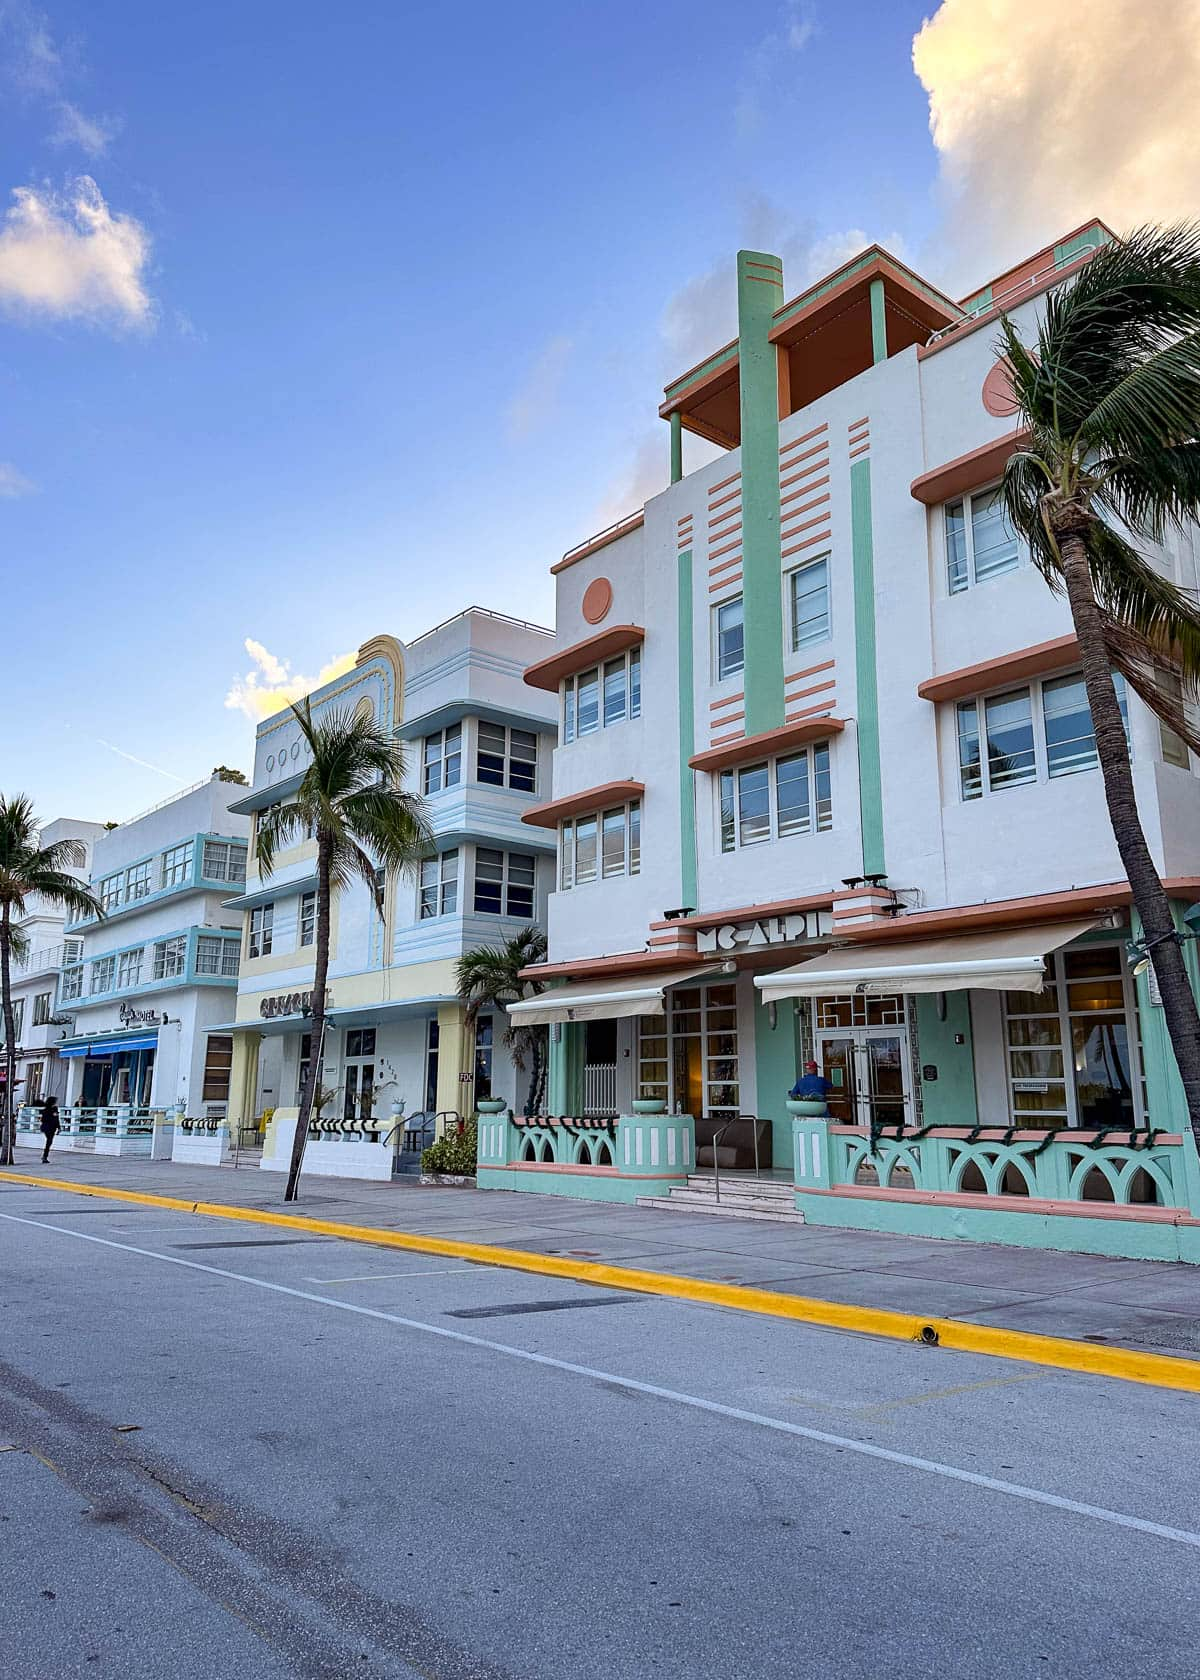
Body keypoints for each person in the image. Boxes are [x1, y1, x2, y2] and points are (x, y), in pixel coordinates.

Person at [38, 1097, 61, 1164]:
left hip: (47, 1127)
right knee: (49, 1141)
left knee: (49, 1141)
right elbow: (56, 1119)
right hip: (50, 1127)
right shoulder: (52, 1109)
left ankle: (45, 1156)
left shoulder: (47, 1109)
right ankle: (45, 1156)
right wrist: (58, 1127)